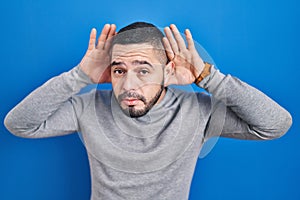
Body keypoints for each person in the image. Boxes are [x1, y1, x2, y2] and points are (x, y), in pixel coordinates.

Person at [4, 22, 292, 200]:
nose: (129, 85)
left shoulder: (198, 111)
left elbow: (274, 125)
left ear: (167, 71)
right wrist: (79, 76)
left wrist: (208, 77)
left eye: (143, 70)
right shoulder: (88, 106)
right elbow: (20, 124)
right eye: (119, 70)